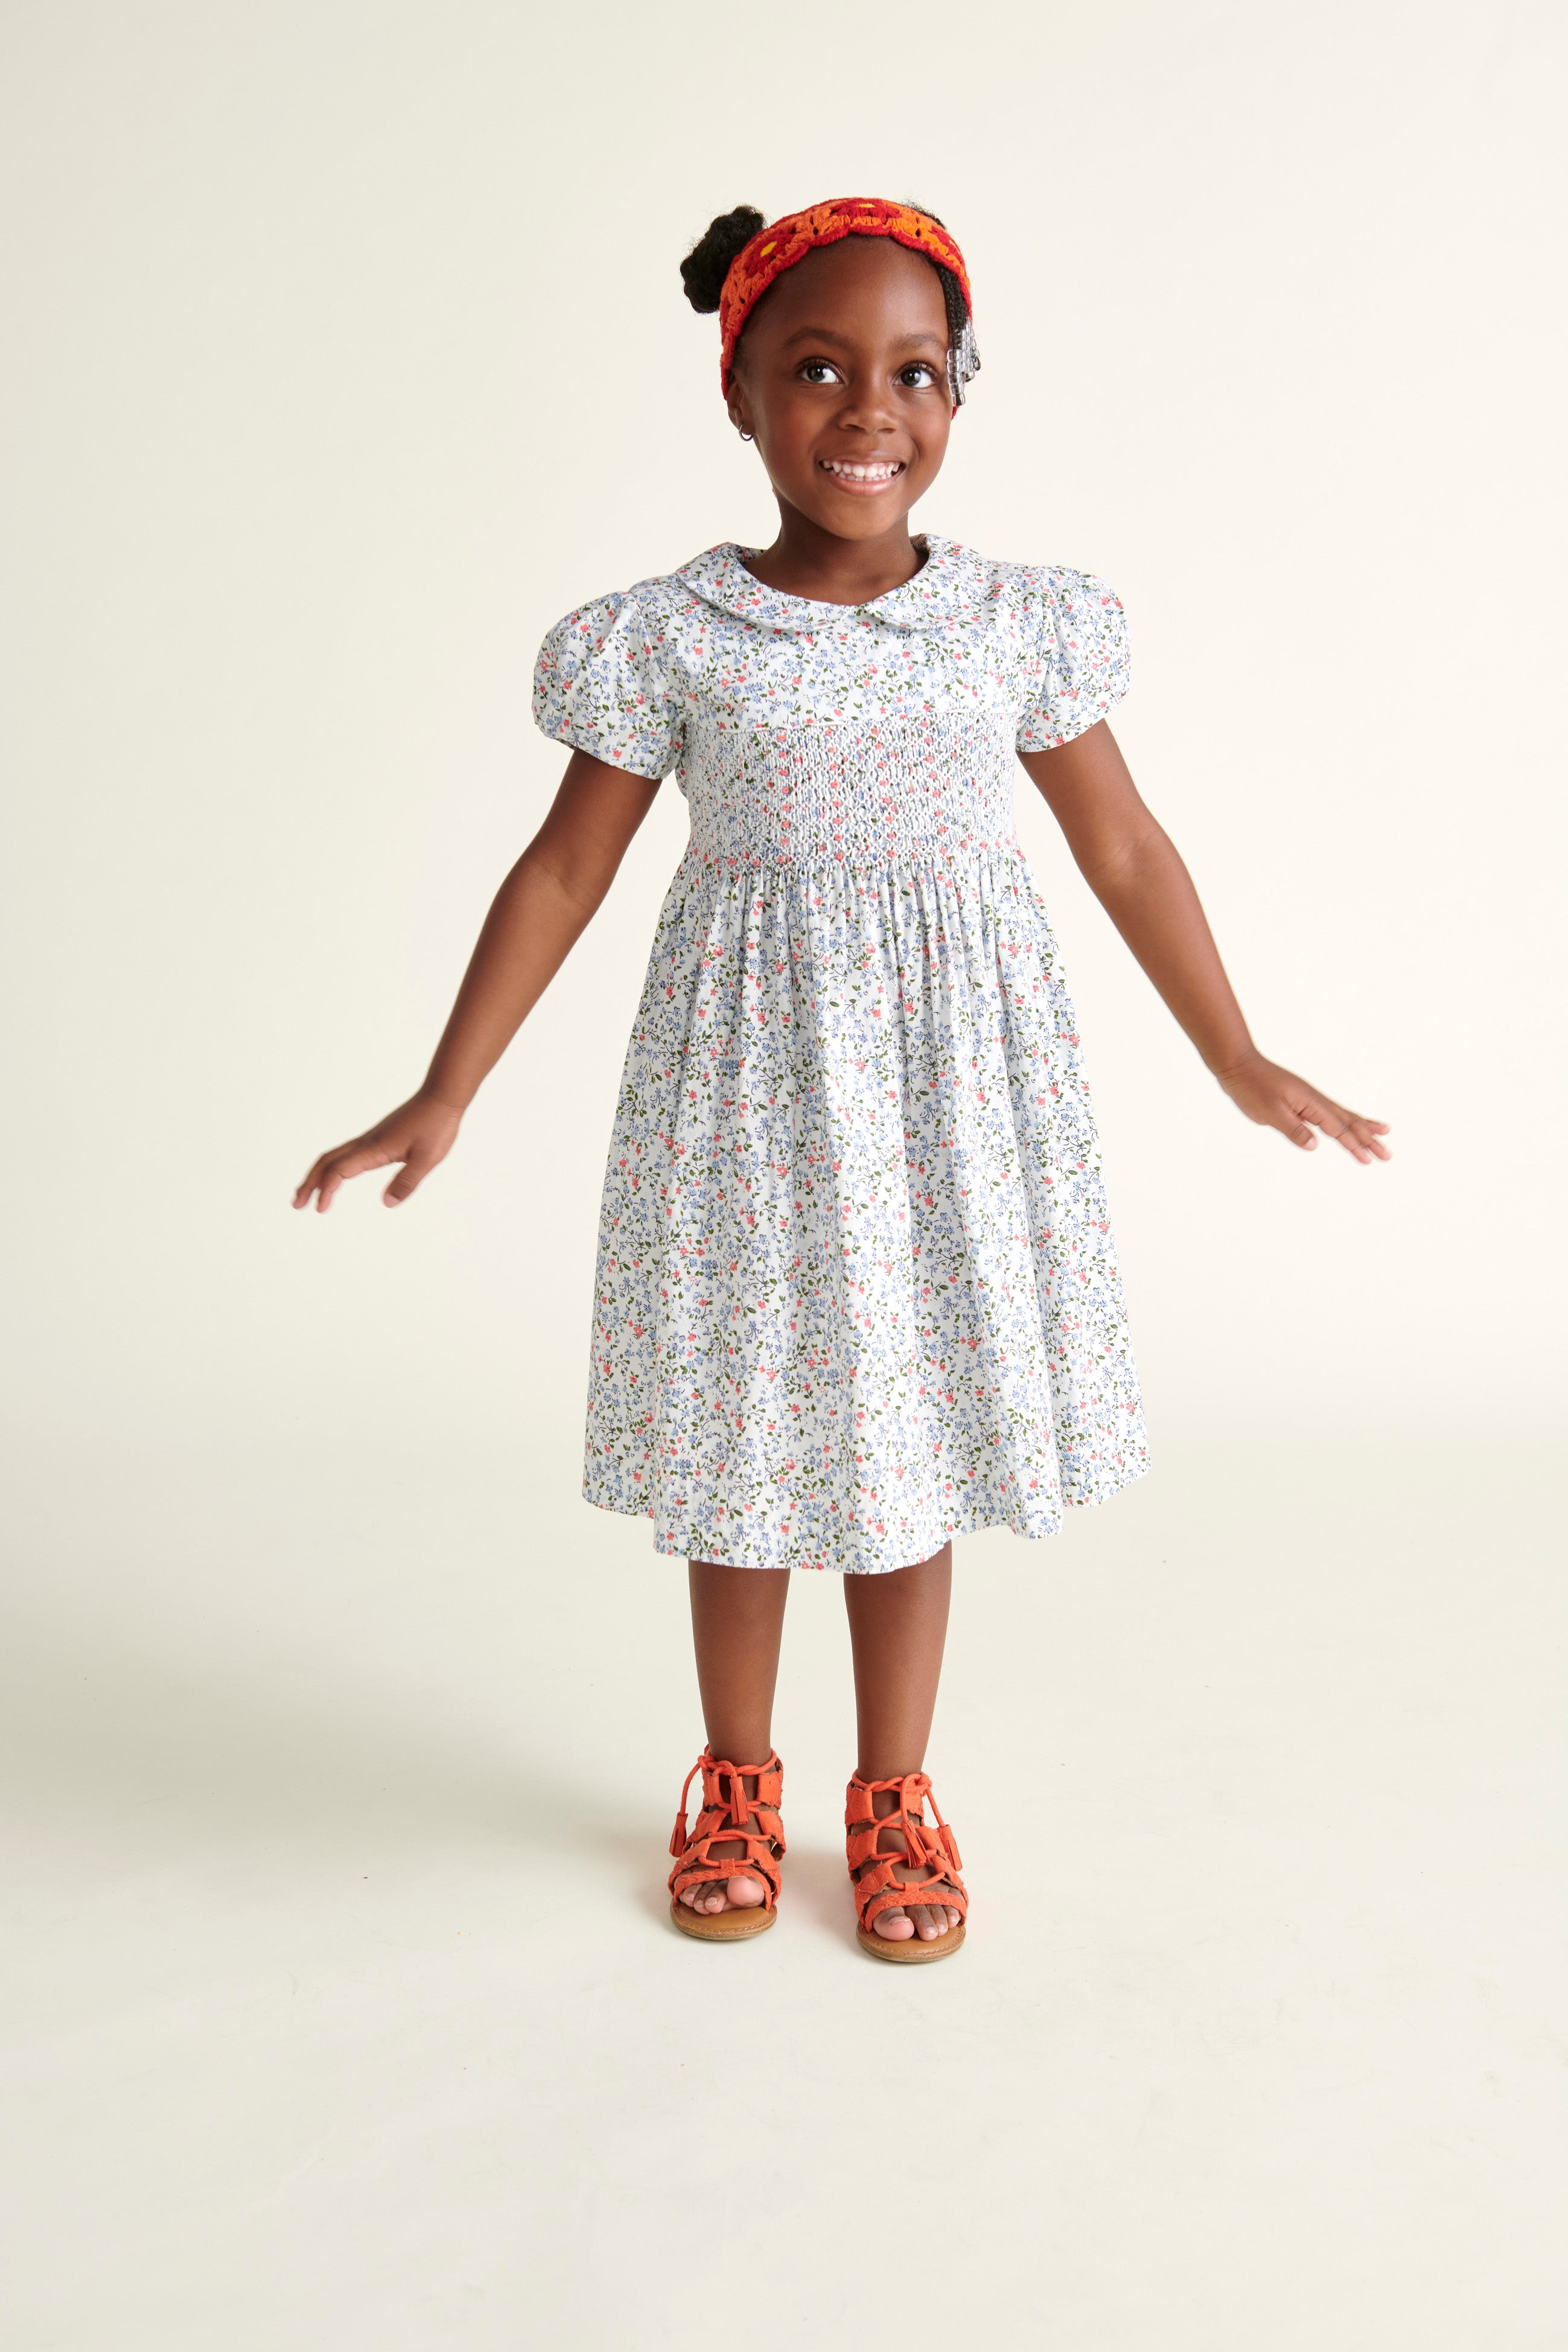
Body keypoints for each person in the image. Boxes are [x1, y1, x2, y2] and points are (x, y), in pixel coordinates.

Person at [294, 197, 1389, 1965]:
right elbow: (564, 872)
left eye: (911, 371)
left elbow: (1120, 847)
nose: (867, 410)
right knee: (744, 1443)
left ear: (959, 396)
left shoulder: (1011, 624)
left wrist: (1237, 1050)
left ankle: (895, 1790)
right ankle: (736, 1771)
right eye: (816, 369)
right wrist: (447, 1091)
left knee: (902, 1452)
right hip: (746, 1095)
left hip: (943, 1105)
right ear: (738, 391)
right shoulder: (673, 637)